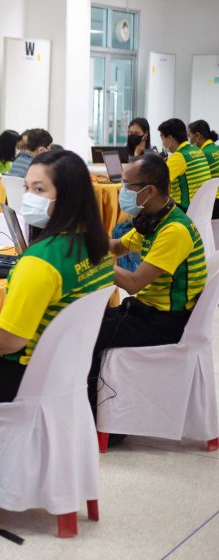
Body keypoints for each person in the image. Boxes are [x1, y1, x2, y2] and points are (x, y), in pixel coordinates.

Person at [0, 150, 114, 403]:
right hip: (66, 371)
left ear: (69, 196)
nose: (28, 197)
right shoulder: (98, 248)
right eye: (27, 188)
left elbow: (8, 342)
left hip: (24, 376)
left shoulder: (40, 261)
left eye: (39, 190)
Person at [88, 153, 206, 429]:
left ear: (149, 190)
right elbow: (117, 247)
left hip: (166, 321)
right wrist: (82, 239)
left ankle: (97, 422)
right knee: (86, 322)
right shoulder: (153, 220)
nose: (122, 191)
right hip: (147, 310)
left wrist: (94, 262)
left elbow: (133, 283)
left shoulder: (174, 230)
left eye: (127, 185)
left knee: (87, 336)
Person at [158, 118, 211, 211]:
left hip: (185, 210)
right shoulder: (197, 149)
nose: (162, 143)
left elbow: (158, 182)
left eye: (162, 138)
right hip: (202, 208)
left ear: (169, 139)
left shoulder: (179, 157)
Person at [187, 119, 219, 219]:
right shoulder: (217, 148)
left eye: (189, 136)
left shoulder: (202, 153)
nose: (189, 140)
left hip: (214, 200)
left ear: (197, 135)